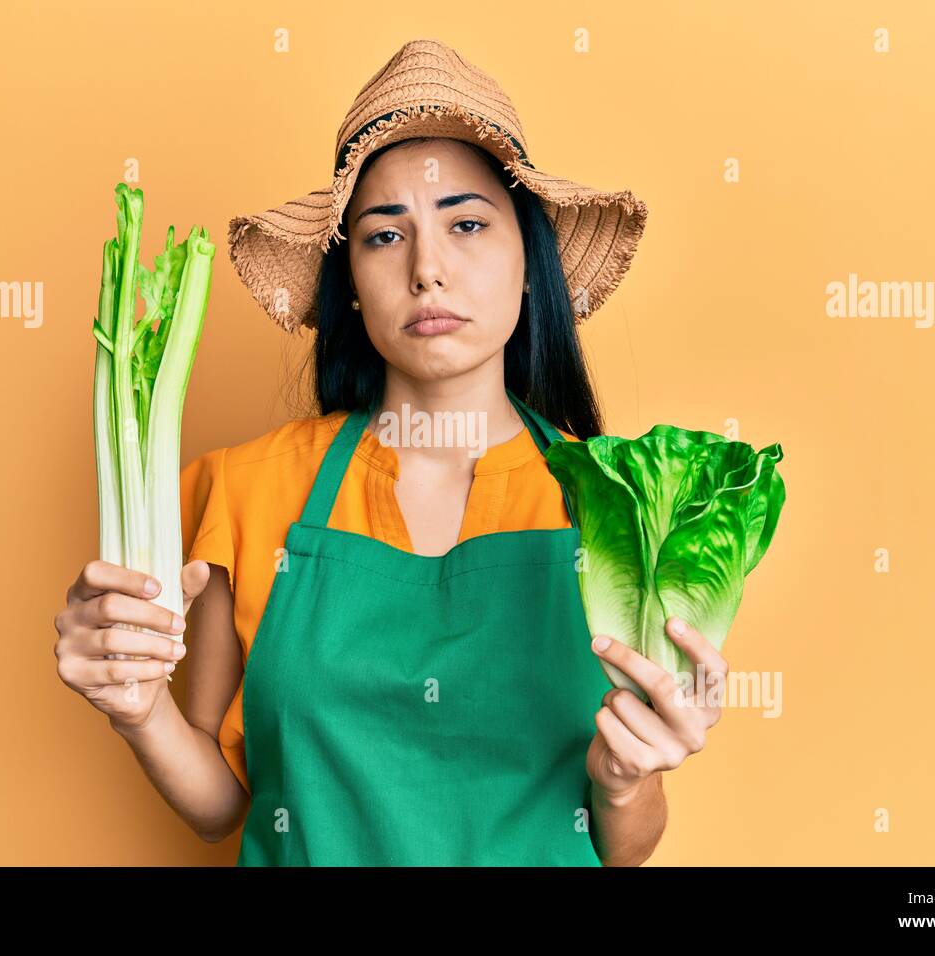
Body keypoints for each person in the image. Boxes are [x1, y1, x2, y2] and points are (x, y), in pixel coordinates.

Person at [54, 38, 728, 866]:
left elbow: (622, 848)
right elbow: (220, 804)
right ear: (348, 281)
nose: (428, 270)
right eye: (383, 236)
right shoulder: (247, 490)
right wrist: (135, 707)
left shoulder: (619, 503)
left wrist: (627, 780)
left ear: (529, 265)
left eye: (468, 224)